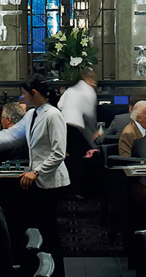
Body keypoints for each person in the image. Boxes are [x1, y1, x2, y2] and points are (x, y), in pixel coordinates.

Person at [0, 74, 70, 277]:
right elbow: (11, 136)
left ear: (34, 93)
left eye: (24, 94)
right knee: (40, 229)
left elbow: (58, 153)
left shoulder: (53, 115)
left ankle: (56, 273)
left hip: (52, 182)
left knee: (50, 233)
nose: (22, 98)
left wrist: (35, 172)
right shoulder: (32, 114)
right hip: (39, 181)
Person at [58, 67, 99, 196]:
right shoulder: (89, 92)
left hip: (61, 125)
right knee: (77, 160)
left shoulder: (71, 90)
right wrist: (94, 136)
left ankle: (63, 189)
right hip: (75, 127)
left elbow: (59, 105)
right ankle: (76, 190)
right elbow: (90, 116)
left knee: (62, 157)